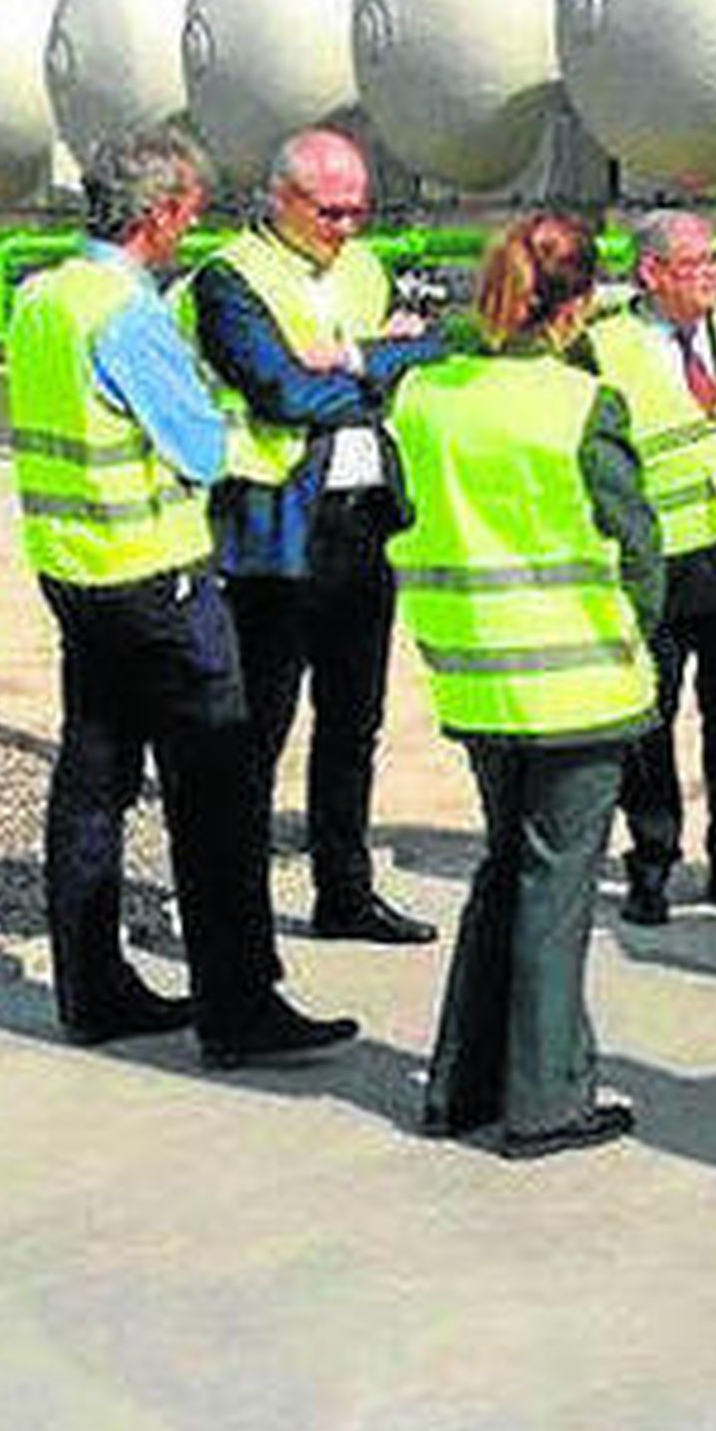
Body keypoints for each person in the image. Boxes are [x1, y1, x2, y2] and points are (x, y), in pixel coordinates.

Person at [4, 125, 357, 1068]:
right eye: (190, 214)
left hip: (74, 571)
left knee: (92, 780)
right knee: (216, 794)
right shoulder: (129, 315)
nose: (192, 230)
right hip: (157, 577)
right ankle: (238, 1009)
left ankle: (92, 990)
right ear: (157, 215)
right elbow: (198, 448)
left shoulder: (41, 298)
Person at [388, 213, 663, 1158]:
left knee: (503, 868)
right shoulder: (583, 405)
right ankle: (547, 1099)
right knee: (555, 890)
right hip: (578, 685)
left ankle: (461, 1084)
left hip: (474, 678)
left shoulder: (425, 396)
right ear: (578, 307)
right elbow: (638, 547)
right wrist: (637, 639)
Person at [185, 126, 443, 945]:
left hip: (365, 520)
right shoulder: (230, 277)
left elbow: (433, 347)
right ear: (281, 198)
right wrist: (379, 364)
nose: (347, 227)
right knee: (259, 729)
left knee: (352, 725)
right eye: (330, 212)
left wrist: (352, 357)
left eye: (359, 210)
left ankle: (345, 893)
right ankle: (235, 911)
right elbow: (281, 394)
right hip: (276, 527)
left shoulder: (364, 267)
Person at [588, 210, 716, 924]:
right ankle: (652, 862)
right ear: (652, 273)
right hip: (656, 558)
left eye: (715, 261)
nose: (713, 276)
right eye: (697, 264)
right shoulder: (604, 345)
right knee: (650, 719)